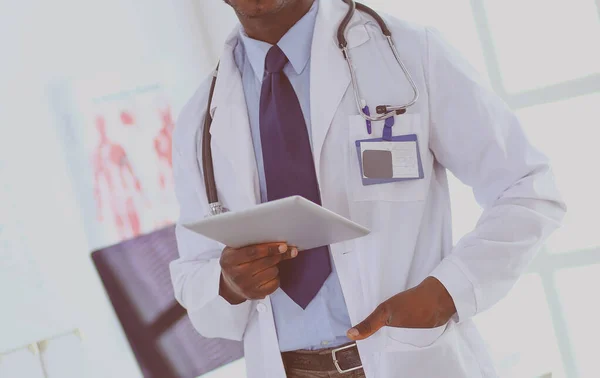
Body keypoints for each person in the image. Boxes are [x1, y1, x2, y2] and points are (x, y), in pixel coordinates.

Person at [170, 0, 566, 377]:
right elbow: (194, 279)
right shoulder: (199, 118)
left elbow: (528, 188)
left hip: (408, 358)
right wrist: (228, 284)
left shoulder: (411, 54)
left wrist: (446, 292)